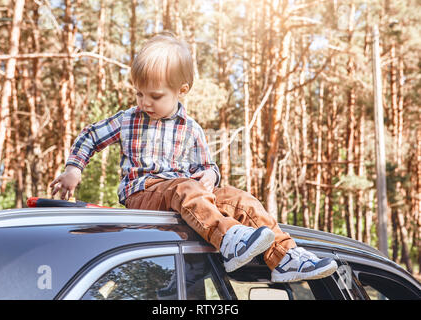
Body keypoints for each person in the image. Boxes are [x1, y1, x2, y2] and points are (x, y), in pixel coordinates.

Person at [49, 32, 337, 283]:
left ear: (181, 91)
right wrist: (74, 168)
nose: (145, 102)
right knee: (183, 187)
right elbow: (90, 136)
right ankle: (227, 239)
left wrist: (211, 176)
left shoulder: (190, 128)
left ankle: (284, 257)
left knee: (241, 200)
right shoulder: (128, 120)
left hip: (187, 198)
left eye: (155, 95)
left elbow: (207, 166)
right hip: (144, 195)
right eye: (139, 93)